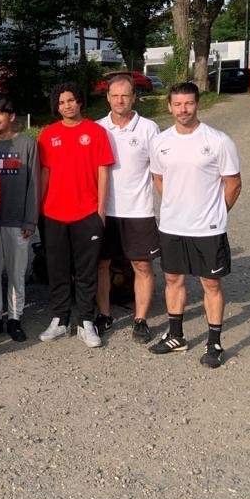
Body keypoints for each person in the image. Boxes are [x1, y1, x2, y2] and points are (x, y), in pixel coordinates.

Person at [148, 82, 241, 368]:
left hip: (207, 229)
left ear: (197, 104)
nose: (183, 109)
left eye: (188, 103)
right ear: (169, 107)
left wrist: (216, 213)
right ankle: (176, 336)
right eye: (177, 104)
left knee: (211, 284)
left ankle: (214, 343)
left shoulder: (218, 140)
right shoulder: (160, 141)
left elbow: (233, 183)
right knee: (173, 280)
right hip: (172, 227)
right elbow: (158, 178)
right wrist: (177, 206)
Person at [37, 82, 115, 348]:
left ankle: (85, 321)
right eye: (61, 102)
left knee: (86, 271)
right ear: (56, 107)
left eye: (70, 100)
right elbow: (44, 173)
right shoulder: (48, 134)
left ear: (79, 101)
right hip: (54, 213)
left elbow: (103, 172)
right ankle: (60, 319)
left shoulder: (96, 132)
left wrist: (100, 211)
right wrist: (39, 208)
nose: (67, 106)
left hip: (87, 213)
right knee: (57, 269)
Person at [95, 75, 161, 343]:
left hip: (138, 210)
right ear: (108, 97)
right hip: (104, 210)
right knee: (102, 264)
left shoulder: (148, 128)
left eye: (125, 95)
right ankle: (104, 314)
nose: (120, 100)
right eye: (115, 95)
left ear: (134, 97)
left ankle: (140, 319)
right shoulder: (98, 128)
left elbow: (159, 171)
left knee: (142, 265)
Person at [0, 95, 39, 342]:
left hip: (17, 222)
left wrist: (30, 220)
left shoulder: (27, 144)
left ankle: (15, 318)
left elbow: (34, 184)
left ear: (11, 116)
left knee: (16, 274)